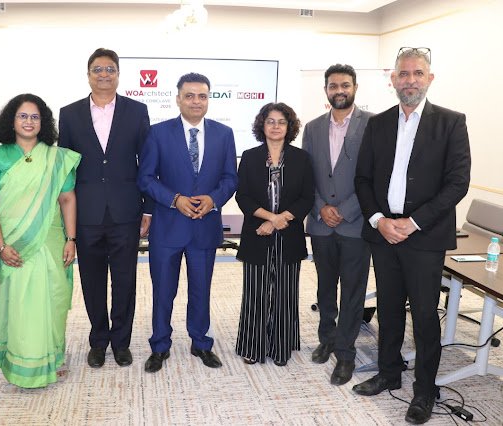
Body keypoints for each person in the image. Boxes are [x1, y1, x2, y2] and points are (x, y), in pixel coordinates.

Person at [353, 47, 471, 424]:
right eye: (403, 74)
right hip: (384, 232)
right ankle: (388, 372)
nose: (410, 80)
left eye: (417, 73)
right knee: (388, 309)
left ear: (429, 78)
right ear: (393, 80)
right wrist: (378, 220)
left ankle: (424, 390)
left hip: (424, 235)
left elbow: (457, 183)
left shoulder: (451, 122)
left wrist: (414, 222)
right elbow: (363, 178)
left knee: (423, 315)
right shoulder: (378, 123)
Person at [138, 72, 238, 373]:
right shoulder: (158, 133)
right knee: (163, 291)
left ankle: (201, 342)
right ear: (178, 99)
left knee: (200, 290)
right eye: (190, 95)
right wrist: (175, 199)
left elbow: (230, 178)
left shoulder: (224, 134)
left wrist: (213, 200)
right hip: (168, 226)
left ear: (209, 99)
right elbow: (146, 178)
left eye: (202, 96)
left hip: (204, 226)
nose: (196, 101)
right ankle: (160, 345)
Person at [59, 48, 151, 368]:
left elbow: (147, 163)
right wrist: (67, 221)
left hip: (126, 212)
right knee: (92, 281)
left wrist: (148, 209)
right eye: (97, 69)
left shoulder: (136, 111)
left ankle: (121, 342)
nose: (104, 75)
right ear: (88, 75)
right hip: (86, 214)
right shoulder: (69, 114)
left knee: (125, 281)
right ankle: (99, 341)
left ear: (118, 75)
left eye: (110, 69)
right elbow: (64, 170)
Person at [0, 94, 81, 388]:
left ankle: (53, 357)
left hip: (50, 240)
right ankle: (19, 362)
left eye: (35, 117)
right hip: (11, 243)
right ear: (11, 121)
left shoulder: (57, 157)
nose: (29, 122)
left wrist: (71, 239)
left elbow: (67, 199)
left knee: (53, 298)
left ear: (44, 122)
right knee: (18, 302)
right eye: (23, 116)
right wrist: (1, 246)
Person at [302, 64, 372, 385]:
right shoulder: (313, 128)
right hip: (321, 223)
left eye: (345, 85)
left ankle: (345, 352)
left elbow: (375, 176)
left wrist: (344, 210)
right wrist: (321, 207)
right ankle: (327, 338)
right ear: (326, 90)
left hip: (355, 222)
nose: (339, 90)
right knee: (325, 286)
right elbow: (306, 175)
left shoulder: (372, 124)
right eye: (333, 86)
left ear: (355, 87)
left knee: (353, 291)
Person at [235, 103, 314, 367]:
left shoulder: (302, 158)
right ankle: (252, 346)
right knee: (255, 293)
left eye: (281, 121)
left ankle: (281, 347)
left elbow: (307, 198)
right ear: (262, 125)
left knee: (285, 294)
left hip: (289, 235)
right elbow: (243, 196)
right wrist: (270, 218)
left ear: (289, 127)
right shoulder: (249, 157)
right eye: (270, 121)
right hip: (257, 232)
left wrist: (281, 220)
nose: (276, 126)